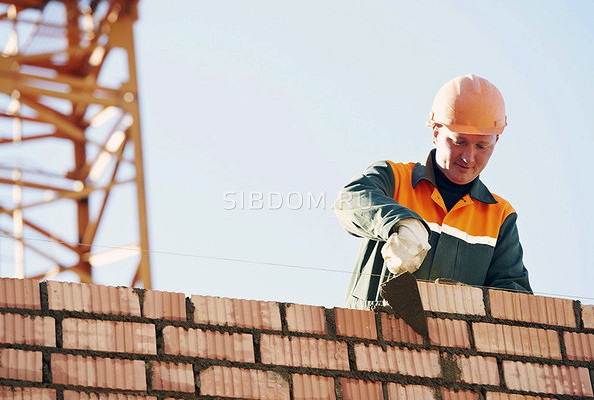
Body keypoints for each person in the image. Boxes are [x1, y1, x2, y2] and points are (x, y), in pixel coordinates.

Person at [334, 74, 532, 310]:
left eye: (482, 146)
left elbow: (515, 300)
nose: (469, 157)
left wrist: (471, 302)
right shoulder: (394, 178)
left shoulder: (499, 217)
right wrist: (401, 222)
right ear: (436, 132)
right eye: (459, 142)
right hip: (370, 337)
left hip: (450, 344)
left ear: (496, 141)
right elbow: (349, 199)